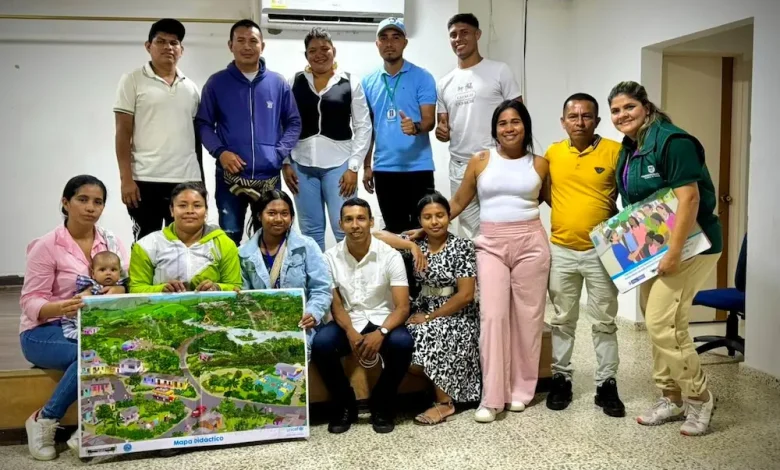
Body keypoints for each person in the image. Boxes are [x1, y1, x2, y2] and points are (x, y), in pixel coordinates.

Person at [609, 81, 722, 436]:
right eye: (615, 110)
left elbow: (688, 199)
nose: (622, 115)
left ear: (645, 106)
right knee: (661, 323)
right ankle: (670, 396)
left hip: (691, 245)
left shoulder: (673, 141)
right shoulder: (631, 147)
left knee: (662, 323)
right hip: (654, 251)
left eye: (628, 107)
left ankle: (699, 398)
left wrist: (673, 253)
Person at [434, 100, 550, 422]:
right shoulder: (480, 161)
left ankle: (522, 391)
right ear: (494, 129)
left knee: (529, 319)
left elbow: (552, 200)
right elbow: (458, 200)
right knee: (493, 317)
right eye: (502, 123)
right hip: (491, 244)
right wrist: (431, 223)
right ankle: (492, 396)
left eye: (515, 122)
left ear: (525, 126)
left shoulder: (539, 164)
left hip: (531, 243)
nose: (509, 128)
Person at [20, 175, 128, 461]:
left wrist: (118, 287)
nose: (91, 207)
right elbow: (30, 302)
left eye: (98, 202)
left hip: (93, 327)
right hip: (44, 331)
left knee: (124, 351)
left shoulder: (112, 241)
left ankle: (91, 431)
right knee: (88, 355)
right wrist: (62, 307)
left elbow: (127, 280)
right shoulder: (46, 245)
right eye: (82, 199)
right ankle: (44, 419)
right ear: (65, 203)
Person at [542, 93, 625, 417]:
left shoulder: (615, 152)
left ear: (597, 121)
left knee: (604, 321)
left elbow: (629, 194)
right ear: (563, 121)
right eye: (573, 116)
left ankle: (607, 384)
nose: (579, 122)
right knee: (562, 320)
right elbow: (546, 191)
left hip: (601, 252)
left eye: (586, 116)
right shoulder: (552, 153)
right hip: (561, 250)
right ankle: (561, 379)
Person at [374, 192, 481, 425]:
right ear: (420, 221)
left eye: (440, 215)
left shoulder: (461, 246)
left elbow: (465, 295)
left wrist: (431, 316)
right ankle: (439, 386)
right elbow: (376, 235)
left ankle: (445, 403)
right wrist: (411, 245)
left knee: (430, 332)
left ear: (449, 216)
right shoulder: (418, 245)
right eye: (428, 217)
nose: (435, 222)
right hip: (421, 308)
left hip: (457, 313)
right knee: (401, 345)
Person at [311, 198, 413, 434]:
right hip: (349, 320)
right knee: (322, 344)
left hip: (384, 319)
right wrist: (350, 332)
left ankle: (382, 403)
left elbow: (402, 307)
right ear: (340, 224)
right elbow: (336, 307)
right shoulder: (330, 258)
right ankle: (345, 404)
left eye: (360, 218)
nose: (355, 225)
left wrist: (382, 332)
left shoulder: (390, 256)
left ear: (371, 222)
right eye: (349, 219)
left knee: (403, 343)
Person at [196, 19, 302, 246]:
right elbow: (203, 124)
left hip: (268, 178)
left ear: (262, 46)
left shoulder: (278, 83)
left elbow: (293, 122)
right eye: (240, 40)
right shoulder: (216, 83)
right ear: (230, 45)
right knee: (230, 235)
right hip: (230, 178)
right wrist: (221, 152)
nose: (247, 46)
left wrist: (278, 153)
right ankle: (233, 282)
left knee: (271, 235)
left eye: (253, 41)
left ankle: (270, 281)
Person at [282, 27, 372, 251]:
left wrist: (353, 167)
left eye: (325, 49)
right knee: (310, 231)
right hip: (300, 165)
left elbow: (363, 127)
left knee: (345, 227)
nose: (319, 54)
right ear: (306, 55)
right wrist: (284, 162)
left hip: (340, 166)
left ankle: (350, 282)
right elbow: (281, 124)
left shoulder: (350, 82)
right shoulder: (293, 81)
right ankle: (319, 283)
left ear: (334, 51)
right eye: (313, 50)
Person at [114, 18, 203, 242]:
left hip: (185, 179)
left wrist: (200, 182)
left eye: (174, 43)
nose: (168, 47)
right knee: (147, 243)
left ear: (181, 50)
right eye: (161, 41)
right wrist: (126, 179)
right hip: (145, 178)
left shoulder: (191, 88)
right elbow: (123, 132)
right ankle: (145, 280)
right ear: (148, 46)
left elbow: (195, 138)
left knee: (183, 243)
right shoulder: (132, 80)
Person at [435, 13, 522, 238]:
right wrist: (441, 132)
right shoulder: (444, 82)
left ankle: (499, 267)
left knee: (500, 222)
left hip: (493, 160)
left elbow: (519, 116)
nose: (458, 38)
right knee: (472, 228)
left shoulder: (499, 70)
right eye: (453, 35)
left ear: (477, 34)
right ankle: (486, 270)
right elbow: (442, 127)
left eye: (464, 32)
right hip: (459, 165)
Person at [361, 17, 437, 234]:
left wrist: (416, 127)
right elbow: (368, 129)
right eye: (383, 38)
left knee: (423, 231)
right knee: (394, 231)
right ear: (377, 44)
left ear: (405, 42)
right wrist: (367, 166)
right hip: (385, 168)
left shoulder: (422, 77)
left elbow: (429, 120)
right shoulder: (368, 82)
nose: (389, 43)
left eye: (396, 37)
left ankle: (422, 270)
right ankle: (399, 270)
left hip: (418, 167)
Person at [239, 189, 332, 350]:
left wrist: (313, 313)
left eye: (284, 213)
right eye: (272, 213)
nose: (278, 219)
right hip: (259, 326)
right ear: (259, 216)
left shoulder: (306, 246)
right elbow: (243, 293)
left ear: (291, 217)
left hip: (300, 324)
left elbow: (321, 288)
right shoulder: (243, 254)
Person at [129, 182, 242, 293]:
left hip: (211, 309)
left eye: (197, 206)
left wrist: (217, 288)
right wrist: (161, 290)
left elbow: (235, 287)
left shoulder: (224, 244)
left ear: (206, 211)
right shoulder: (147, 245)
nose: (190, 211)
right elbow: (135, 288)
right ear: (172, 210)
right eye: (182, 205)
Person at [61, 251, 127, 340]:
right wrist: (85, 294)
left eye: (113, 270)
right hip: (91, 317)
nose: (108, 273)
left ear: (120, 272)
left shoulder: (122, 285)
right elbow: (87, 292)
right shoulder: (94, 286)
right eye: (102, 270)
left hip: (111, 316)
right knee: (85, 330)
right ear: (93, 274)